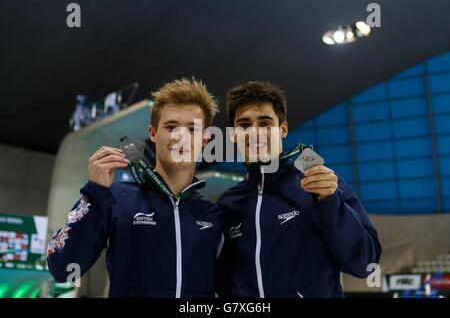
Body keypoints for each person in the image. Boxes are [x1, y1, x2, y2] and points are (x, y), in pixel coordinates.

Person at [47, 78, 224, 298]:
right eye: (171, 127)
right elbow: (62, 268)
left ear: (205, 140)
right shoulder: (115, 199)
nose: (181, 137)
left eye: (193, 129)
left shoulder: (214, 215)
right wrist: (94, 194)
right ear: (152, 133)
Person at [217, 81, 382, 298]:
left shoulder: (319, 183)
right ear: (233, 135)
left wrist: (330, 202)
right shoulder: (229, 203)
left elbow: (366, 262)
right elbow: (222, 282)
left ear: (283, 129)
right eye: (244, 124)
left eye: (265, 123)